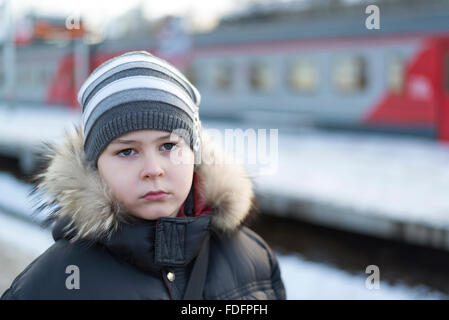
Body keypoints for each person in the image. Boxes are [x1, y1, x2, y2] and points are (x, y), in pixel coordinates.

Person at [1, 51, 286, 300]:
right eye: (127, 152)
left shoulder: (254, 259)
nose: (153, 169)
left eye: (169, 146)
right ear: (94, 166)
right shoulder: (49, 286)